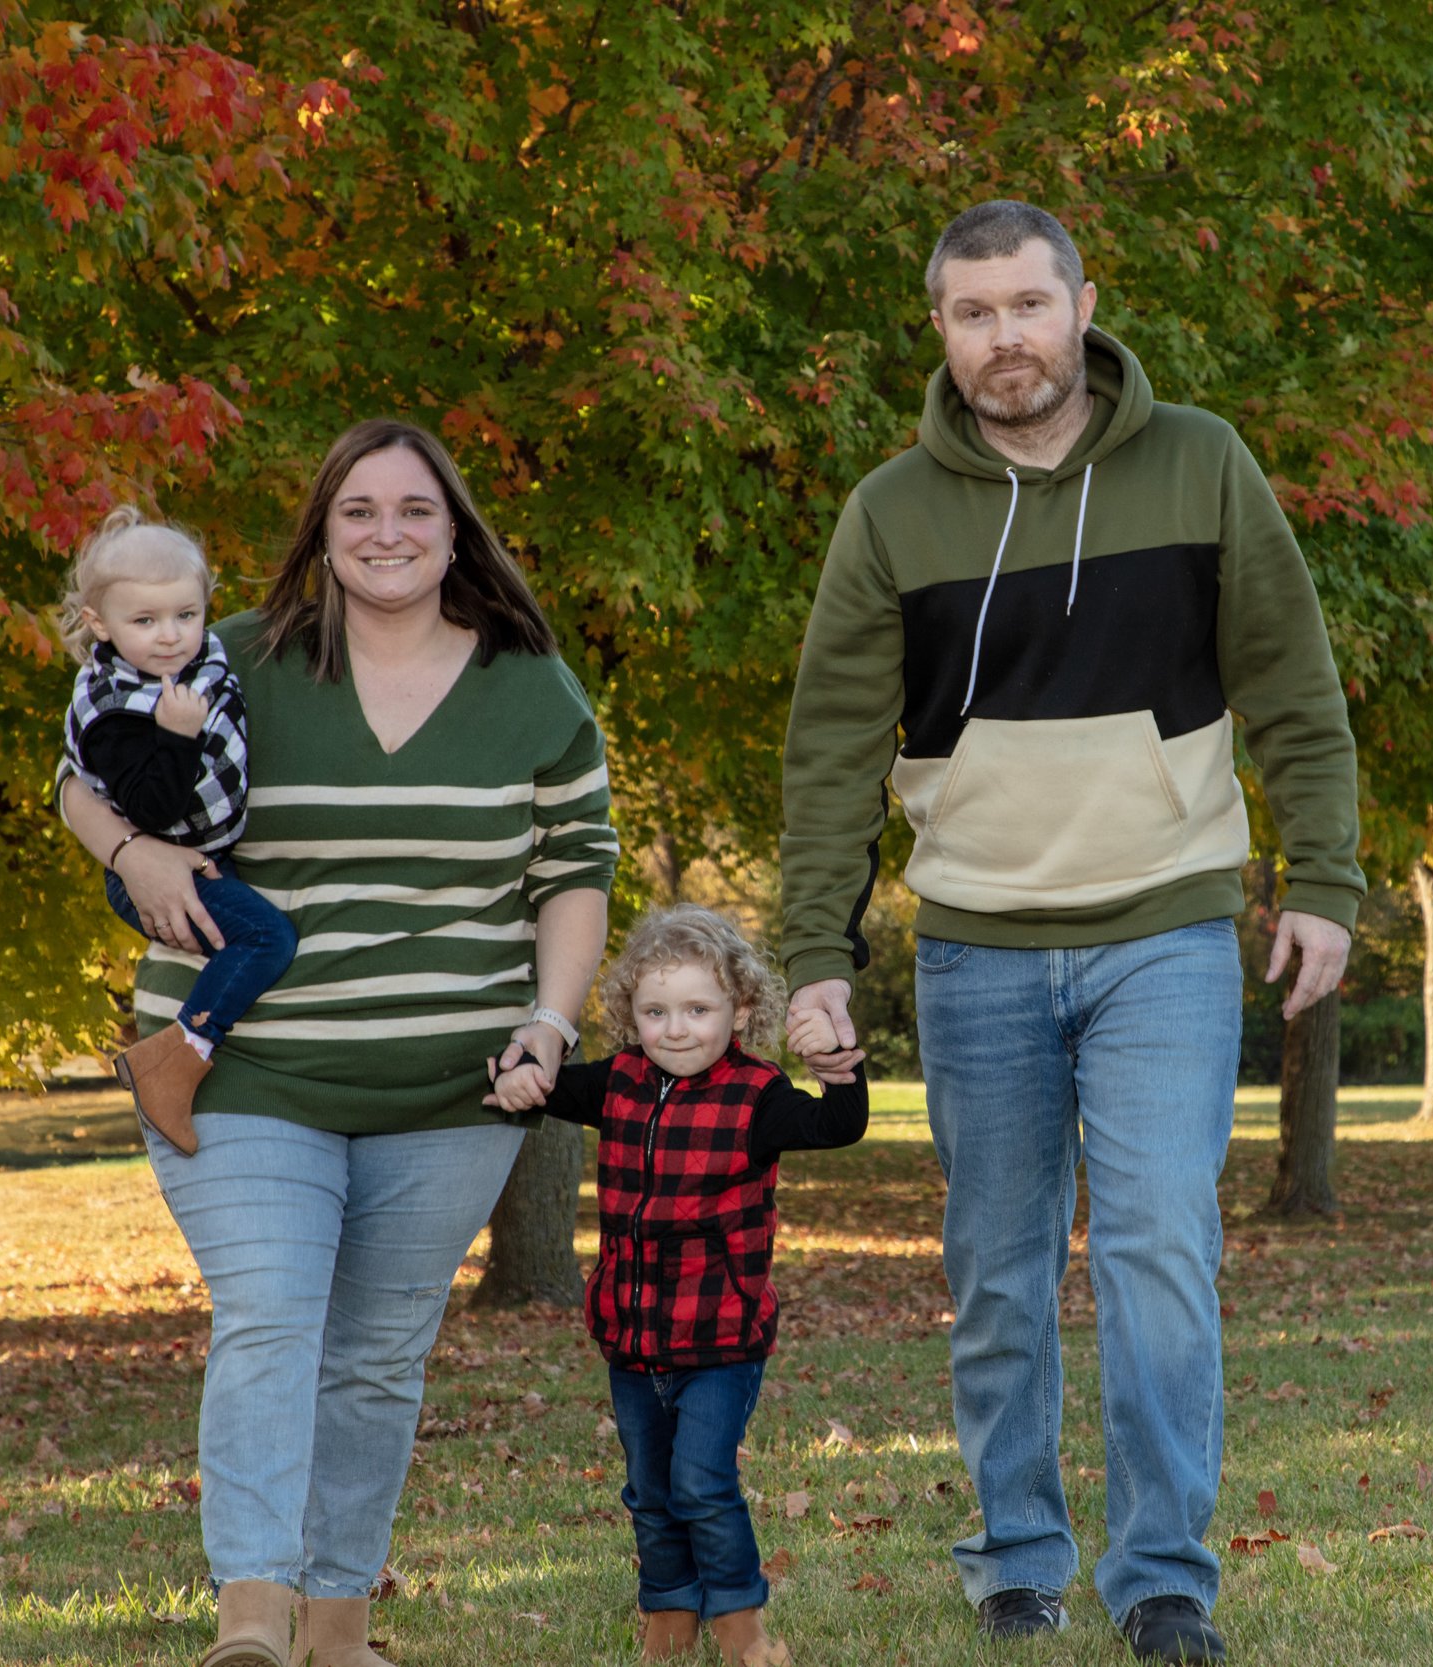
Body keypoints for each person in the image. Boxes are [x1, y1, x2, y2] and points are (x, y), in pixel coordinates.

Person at [777, 200, 1363, 1664]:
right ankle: (1016, 1554)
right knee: (999, 1264)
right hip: (976, 939)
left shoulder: (1201, 462)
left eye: (1028, 305)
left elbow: (1292, 683)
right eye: (973, 315)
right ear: (940, 330)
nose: (1006, 338)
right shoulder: (889, 512)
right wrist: (813, 956)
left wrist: (1329, 880)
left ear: (1083, 301)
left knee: (1159, 1240)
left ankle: (1165, 1573)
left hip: (1166, 923)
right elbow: (834, 751)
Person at [57, 419, 617, 1667]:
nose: (387, 532)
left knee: (375, 1355)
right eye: (357, 510)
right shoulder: (232, 654)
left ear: (455, 526)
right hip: (240, 1067)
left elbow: (576, 868)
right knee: (270, 1311)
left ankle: (339, 1625)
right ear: (320, 530)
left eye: (414, 509)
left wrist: (550, 1018)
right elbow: (79, 768)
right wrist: (133, 850)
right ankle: (250, 1619)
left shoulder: (529, 682)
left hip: (452, 1090)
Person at [488, 904, 866, 1667]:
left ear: (741, 1010)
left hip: (720, 1338)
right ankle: (668, 1615)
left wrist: (840, 1067)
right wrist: (517, 1075)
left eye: (699, 1008)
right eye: (655, 1010)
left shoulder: (757, 1095)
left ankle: (741, 1624)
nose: (677, 1028)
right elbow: (540, 1084)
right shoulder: (619, 1081)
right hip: (631, 1338)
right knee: (650, 1492)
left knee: (701, 1482)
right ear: (630, 1013)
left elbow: (838, 1126)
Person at [55, 506, 298, 1155]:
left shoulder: (193, 657)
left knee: (261, 948)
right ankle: (172, 1059)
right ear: (98, 624)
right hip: (150, 871)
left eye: (186, 615)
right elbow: (151, 807)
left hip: (207, 851)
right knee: (266, 938)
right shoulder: (114, 710)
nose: (170, 636)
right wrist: (178, 735)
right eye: (146, 621)